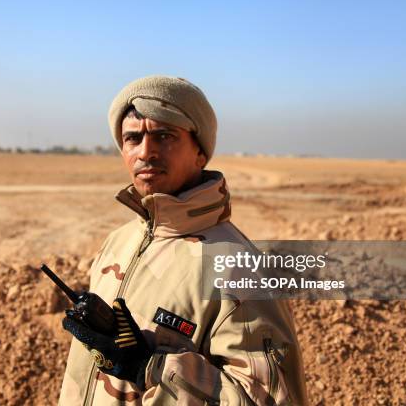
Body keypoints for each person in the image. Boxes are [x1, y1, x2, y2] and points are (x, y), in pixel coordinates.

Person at [58, 75, 308, 405]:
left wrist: (149, 368)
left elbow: (268, 399)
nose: (146, 152)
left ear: (200, 153)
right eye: (132, 138)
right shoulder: (116, 243)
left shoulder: (236, 266)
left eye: (164, 136)